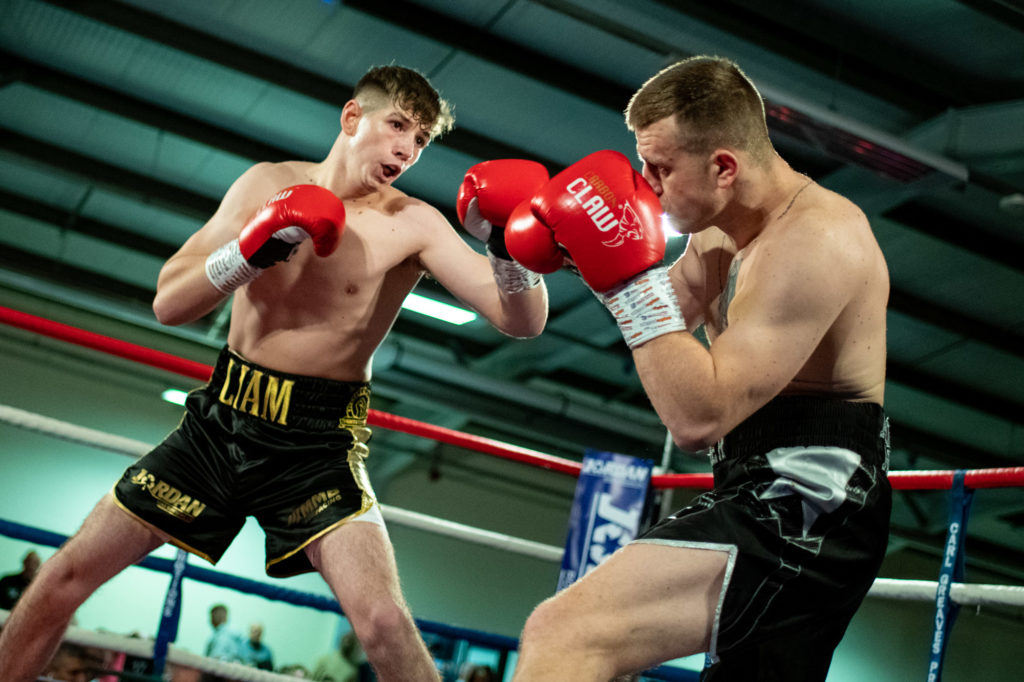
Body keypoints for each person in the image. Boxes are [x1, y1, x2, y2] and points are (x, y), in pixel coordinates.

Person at [0, 64, 548, 682]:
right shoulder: (266, 183)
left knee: (384, 624)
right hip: (218, 425)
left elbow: (521, 321)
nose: (407, 149)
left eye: (420, 140)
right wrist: (248, 253)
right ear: (351, 117)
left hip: (317, 445)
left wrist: (507, 249)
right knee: (63, 576)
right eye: (397, 126)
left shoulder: (414, 223)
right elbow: (169, 303)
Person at [507, 55, 892, 681]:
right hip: (756, 482)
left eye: (660, 167)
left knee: (567, 631)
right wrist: (537, 253)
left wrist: (623, 274)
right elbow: (662, 329)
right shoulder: (714, 234)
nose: (645, 183)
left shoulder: (815, 241)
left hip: (813, 497)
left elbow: (697, 416)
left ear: (723, 167)